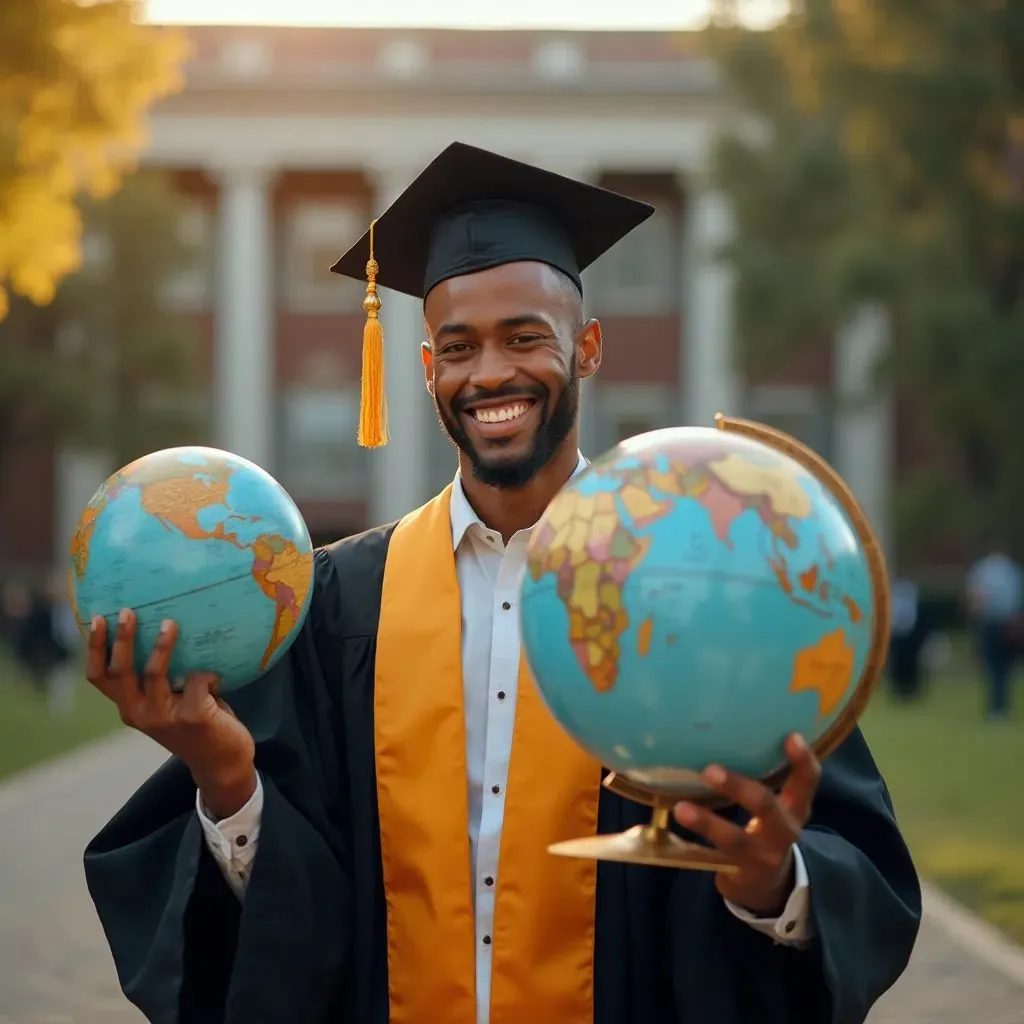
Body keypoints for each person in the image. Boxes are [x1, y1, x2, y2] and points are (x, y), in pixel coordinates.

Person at [83, 143, 920, 1024]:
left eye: (525, 337)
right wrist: (225, 776)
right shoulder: (339, 603)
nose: (489, 374)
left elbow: (846, 859)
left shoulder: (707, 578)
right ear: (425, 368)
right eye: (459, 347)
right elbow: (293, 922)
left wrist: (769, 885)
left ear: (587, 347)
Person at [966, 544, 1021, 720]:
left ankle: (997, 708)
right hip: (1009, 624)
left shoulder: (982, 570)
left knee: (993, 668)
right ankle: (1002, 706)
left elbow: (976, 599)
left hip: (991, 624)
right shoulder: (1012, 571)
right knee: (1004, 669)